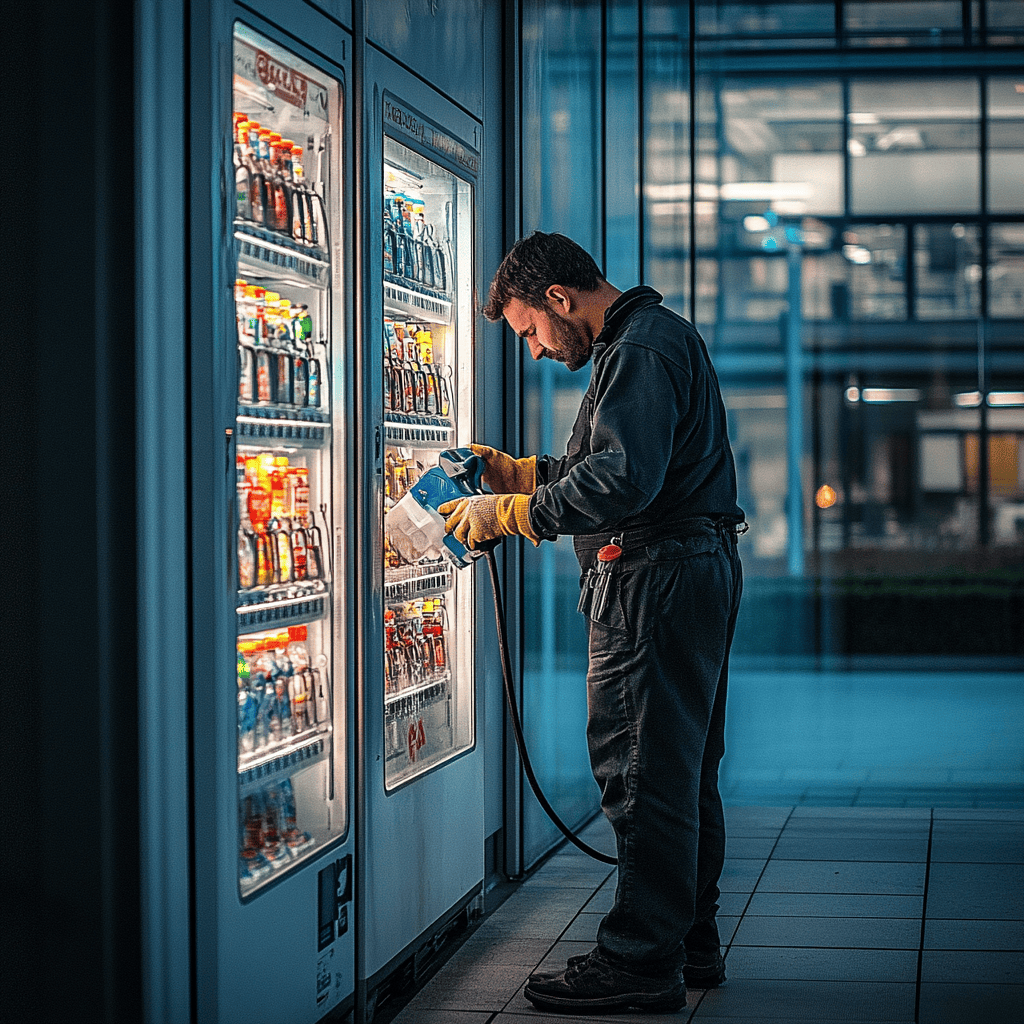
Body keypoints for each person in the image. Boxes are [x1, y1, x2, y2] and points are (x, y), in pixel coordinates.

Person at [440, 231, 746, 1015]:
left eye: (531, 331)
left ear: (558, 299)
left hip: (654, 580)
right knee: (679, 770)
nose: (536, 351)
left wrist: (508, 512)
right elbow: (623, 463)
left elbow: (622, 481)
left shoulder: (640, 348)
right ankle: (689, 942)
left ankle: (641, 961)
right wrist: (522, 472)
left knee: (641, 772)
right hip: (686, 571)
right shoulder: (648, 339)